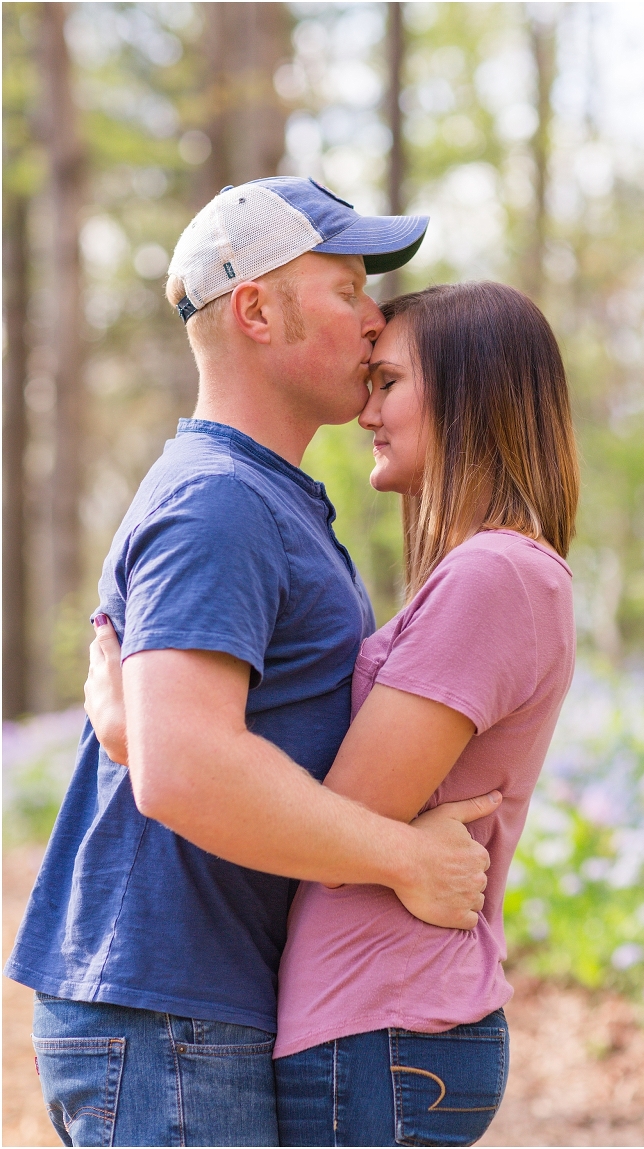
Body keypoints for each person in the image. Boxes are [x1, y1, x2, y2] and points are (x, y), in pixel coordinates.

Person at [5, 179, 499, 1149]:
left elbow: (173, 743)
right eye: (348, 288)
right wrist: (407, 861)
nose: (376, 320)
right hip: (169, 1015)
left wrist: (133, 729)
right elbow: (186, 769)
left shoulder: (258, 498)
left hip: (188, 1007)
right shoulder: (220, 502)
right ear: (256, 310)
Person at [86, 280, 580, 1147]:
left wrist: (150, 728)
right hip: (363, 1023)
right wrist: (152, 725)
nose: (367, 411)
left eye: (388, 383)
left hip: (382, 1023)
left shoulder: (493, 574)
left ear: (469, 392)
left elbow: (353, 805)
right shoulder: (480, 571)